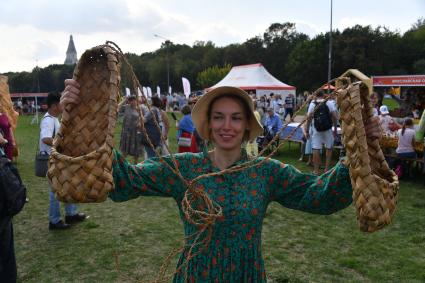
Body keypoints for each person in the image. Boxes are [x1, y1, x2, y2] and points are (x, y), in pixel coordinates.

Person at [61, 81, 381, 282]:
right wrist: (79, 118)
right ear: (209, 125)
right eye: (218, 117)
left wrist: (359, 150)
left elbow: (319, 196)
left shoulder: (266, 172)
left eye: (236, 117)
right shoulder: (183, 170)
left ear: (246, 127)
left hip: (247, 275)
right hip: (194, 276)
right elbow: (124, 180)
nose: (227, 125)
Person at [40, 91, 87, 230]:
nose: (63, 105)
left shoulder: (54, 118)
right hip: (52, 161)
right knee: (55, 192)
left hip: (58, 160)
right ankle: (54, 221)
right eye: (62, 103)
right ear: (55, 105)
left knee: (68, 185)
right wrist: (62, 143)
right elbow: (45, 138)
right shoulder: (48, 120)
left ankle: (71, 214)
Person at [305, 90, 338, 175]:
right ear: (323, 95)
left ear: (315, 95)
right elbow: (335, 116)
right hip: (328, 129)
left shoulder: (312, 104)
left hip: (316, 129)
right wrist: (334, 128)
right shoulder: (329, 103)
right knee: (329, 148)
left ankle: (316, 171)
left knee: (316, 148)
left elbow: (308, 119)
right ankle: (326, 169)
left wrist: (307, 130)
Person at [119, 95, 144, 163]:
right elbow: (117, 107)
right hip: (127, 132)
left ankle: (135, 164)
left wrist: (140, 122)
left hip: (136, 132)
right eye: (131, 100)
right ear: (129, 101)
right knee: (124, 151)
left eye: (134, 100)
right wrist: (124, 100)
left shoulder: (140, 109)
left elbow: (143, 119)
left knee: (136, 151)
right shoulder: (126, 107)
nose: (133, 102)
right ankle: (121, 164)